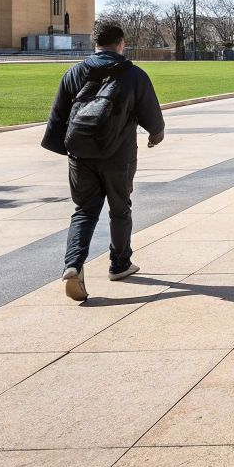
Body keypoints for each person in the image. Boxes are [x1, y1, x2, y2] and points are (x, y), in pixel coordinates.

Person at [44, 19, 165, 302]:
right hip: (119, 155)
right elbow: (154, 120)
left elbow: (57, 121)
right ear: (121, 43)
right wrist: (154, 137)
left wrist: (75, 153)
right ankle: (120, 264)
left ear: (94, 43)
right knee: (120, 208)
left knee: (84, 211)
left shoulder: (74, 73)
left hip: (81, 156)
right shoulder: (133, 74)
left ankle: (73, 265)